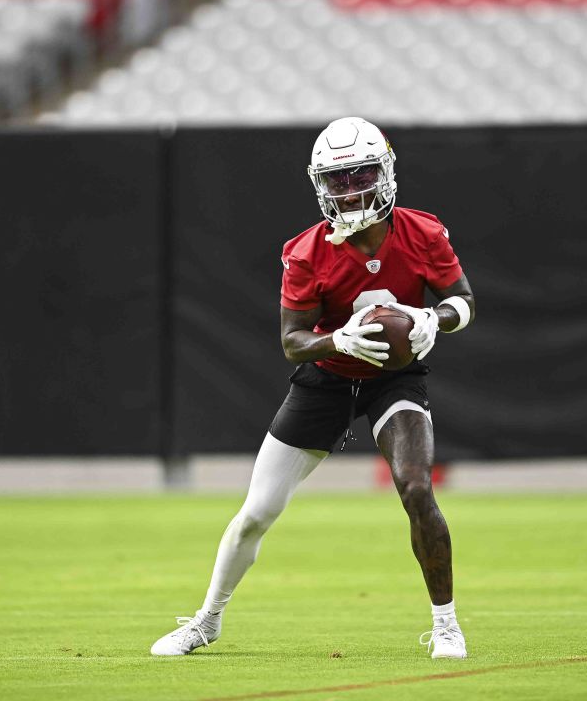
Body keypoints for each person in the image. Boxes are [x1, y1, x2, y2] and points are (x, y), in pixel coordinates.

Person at [150, 117, 476, 659]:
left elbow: (462, 299)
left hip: (394, 379)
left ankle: (446, 625)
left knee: (417, 488)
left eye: (361, 175)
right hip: (326, 380)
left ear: (387, 171)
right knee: (257, 511)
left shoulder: (424, 232)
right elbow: (292, 341)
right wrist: (340, 340)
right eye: (338, 180)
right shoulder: (306, 252)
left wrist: (430, 320)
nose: (350, 191)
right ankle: (206, 619)